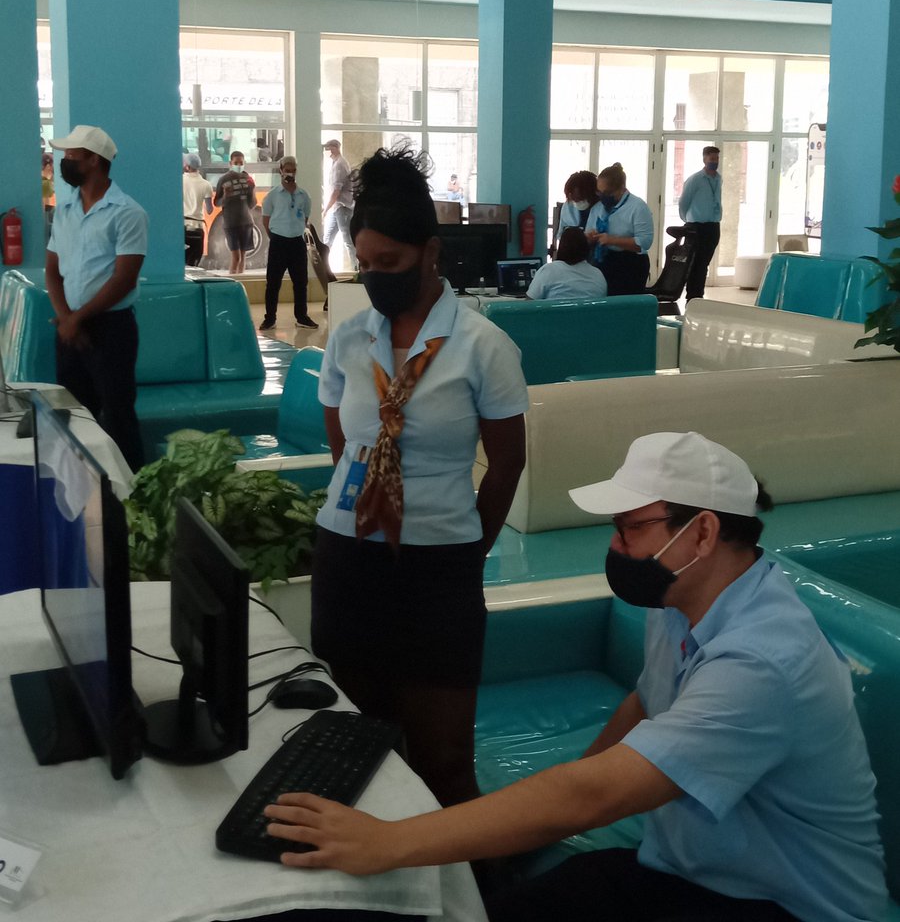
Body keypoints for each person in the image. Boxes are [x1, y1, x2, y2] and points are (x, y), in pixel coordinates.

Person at [264, 431, 888, 922]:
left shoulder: (763, 662)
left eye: (631, 528)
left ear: (703, 531)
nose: (615, 547)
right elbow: (645, 704)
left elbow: (596, 794)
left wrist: (387, 842)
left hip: (787, 906)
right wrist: (557, 814)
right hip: (689, 871)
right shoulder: (681, 600)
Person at [309, 145, 528, 808]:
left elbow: (507, 462)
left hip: (439, 571)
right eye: (365, 264)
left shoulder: (484, 347)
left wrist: (467, 547)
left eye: (391, 263)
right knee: (357, 751)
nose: (376, 278)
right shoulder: (350, 339)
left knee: (443, 759)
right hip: (348, 558)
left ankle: (472, 873)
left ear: (431, 252)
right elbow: (343, 442)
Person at [45, 125, 148, 472]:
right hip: (70, 328)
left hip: (111, 329)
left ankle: (130, 492)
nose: (63, 161)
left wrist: (75, 319)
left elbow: (124, 279)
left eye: (71, 155)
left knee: (117, 415)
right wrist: (66, 317)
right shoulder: (65, 210)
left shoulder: (127, 212)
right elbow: (52, 271)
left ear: (93, 160)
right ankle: (82, 488)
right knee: (73, 414)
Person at [259, 155, 317, 332]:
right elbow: (266, 220)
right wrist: (276, 236)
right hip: (278, 242)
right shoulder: (272, 195)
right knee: (273, 282)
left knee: (301, 282)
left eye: (293, 170)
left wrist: (294, 231)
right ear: (281, 171)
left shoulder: (303, 195)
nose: (290, 173)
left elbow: (305, 218)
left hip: (297, 242)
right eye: (287, 170)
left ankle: (302, 317)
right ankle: (270, 318)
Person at [585, 162, 654, 296]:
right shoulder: (598, 208)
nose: (602, 197)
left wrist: (612, 240)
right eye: (599, 192)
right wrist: (590, 237)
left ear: (622, 188)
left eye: (607, 193)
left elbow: (644, 242)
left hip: (630, 264)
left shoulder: (637, 207)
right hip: (603, 260)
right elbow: (587, 233)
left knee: (624, 304)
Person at [678, 145, 723, 301]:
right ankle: (693, 296)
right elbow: (684, 202)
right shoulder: (695, 179)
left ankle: (697, 295)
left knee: (704, 263)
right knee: (695, 263)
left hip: (713, 226)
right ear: (704, 159)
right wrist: (687, 221)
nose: (715, 161)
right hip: (696, 226)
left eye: (717, 158)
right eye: (712, 158)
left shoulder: (718, 178)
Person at [526, 227, 607, 301]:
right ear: (586, 248)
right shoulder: (598, 275)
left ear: (561, 247)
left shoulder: (549, 270)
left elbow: (528, 304)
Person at [214, 151, 257, 274]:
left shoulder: (248, 179)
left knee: (243, 257)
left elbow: (252, 204)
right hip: (231, 223)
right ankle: (233, 279)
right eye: (236, 163)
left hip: (246, 222)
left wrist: (252, 189)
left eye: (241, 163)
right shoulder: (224, 179)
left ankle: (241, 279)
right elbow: (217, 202)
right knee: (236, 257)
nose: (239, 165)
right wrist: (226, 196)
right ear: (230, 163)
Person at [322, 138, 357, 271]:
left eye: (328, 148)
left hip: (343, 207)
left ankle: (356, 268)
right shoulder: (336, 163)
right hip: (337, 208)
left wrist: (326, 209)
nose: (327, 151)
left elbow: (337, 190)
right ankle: (323, 268)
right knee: (327, 239)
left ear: (335, 148)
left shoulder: (340, 165)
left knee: (348, 239)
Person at [182, 153, 212, 267]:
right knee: (193, 264)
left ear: (187, 167)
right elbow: (209, 210)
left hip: (182, 227)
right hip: (198, 228)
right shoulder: (206, 185)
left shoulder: (179, 181)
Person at [556, 170, 599, 241]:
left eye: (578, 198)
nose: (574, 201)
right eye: (571, 198)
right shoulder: (568, 206)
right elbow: (561, 235)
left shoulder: (601, 208)